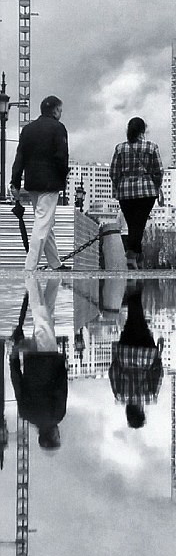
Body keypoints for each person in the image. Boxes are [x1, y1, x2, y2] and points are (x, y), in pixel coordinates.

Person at [9, 94, 68, 272]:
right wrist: (63, 176)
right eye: (60, 110)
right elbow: (61, 156)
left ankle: (55, 263)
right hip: (51, 181)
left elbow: (20, 157)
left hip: (32, 181)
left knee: (45, 221)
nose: (60, 114)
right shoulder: (58, 128)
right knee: (43, 222)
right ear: (55, 110)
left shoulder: (28, 129)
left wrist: (15, 181)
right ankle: (30, 266)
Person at [10, 276, 68, 450]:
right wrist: (14, 359)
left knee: (42, 318)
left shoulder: (57, 415)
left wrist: (62, 363)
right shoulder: (26, 414)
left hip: (49, 359)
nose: (59, 433)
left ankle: (31, 277)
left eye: (57, 436)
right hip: (31, 361)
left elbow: (61, 387)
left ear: (53, 435)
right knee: (46, 316)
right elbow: (17, 384)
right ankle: (55, 277)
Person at [110, 116, 164, 270]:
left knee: (132, 223)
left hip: (125, 192)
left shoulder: (120, 148)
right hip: (146, 191)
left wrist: (119, 185)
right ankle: (132, 255)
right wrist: (156, 186)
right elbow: (159, 170)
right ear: (143, 130)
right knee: (139, 224)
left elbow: (113, 172)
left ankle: (137, 256)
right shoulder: (152, 147)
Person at [109, 282, 164, 428]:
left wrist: (158, 356)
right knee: (131, 323)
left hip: (147, 354)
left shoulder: (150, 397)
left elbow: (158, 374)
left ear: (141, 411)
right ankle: (133, 293)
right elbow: (113, 372)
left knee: (141, 324)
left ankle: (135, 292)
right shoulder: (119, 396)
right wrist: (117, 357)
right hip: (125, 352)